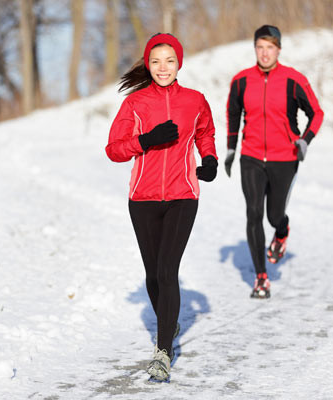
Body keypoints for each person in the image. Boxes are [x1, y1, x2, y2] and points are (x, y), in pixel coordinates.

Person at [105, 33, 217, 381]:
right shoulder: (135, 103)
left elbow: (205, 133)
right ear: (148, 65)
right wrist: (147, 140)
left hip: (183, 195)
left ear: (179, 62)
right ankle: (170, 323)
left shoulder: (195, 100)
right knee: (153, 275)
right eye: (155, 61)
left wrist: (209, 159)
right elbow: (114, 149)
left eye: (169, 60)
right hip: (143, 199)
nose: (162, 67)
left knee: (168, 271)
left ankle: (163, 350)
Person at [225, 25, 324, 299]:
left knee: (273, 215)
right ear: (254, 49)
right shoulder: (241, 81)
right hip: (252, 157)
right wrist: (232, 149)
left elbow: (316, 113)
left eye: (270, 47)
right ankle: (261, 277)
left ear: (278, 49)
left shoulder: (294, 80)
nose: (264, 53)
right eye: (260, 47)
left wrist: (305, 140)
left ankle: (281, 231)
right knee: (254, 213)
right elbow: (233, 114)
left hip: (284, 158)